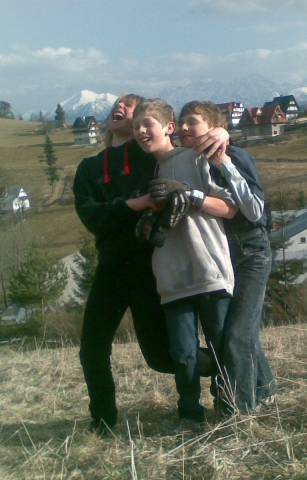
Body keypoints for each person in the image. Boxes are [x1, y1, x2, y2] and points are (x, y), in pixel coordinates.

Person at [73, 94, 229, 434]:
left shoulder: (153, 158)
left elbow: (194, 150)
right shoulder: (89, 168)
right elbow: (92, 217)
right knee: (92, 349)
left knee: (162, 357)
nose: (119, 108)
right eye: (117, 105)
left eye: (129, 106)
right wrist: (139, 202)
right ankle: (102, 422)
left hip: (150, 268)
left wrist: (220, 133)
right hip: (111, 268)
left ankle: (229, 368)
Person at [132, 98, 237, 427]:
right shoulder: (149, 172)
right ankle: (190, 415)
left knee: (220, 346)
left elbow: (230, 208)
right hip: (171, 275)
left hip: (208, 268)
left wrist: (190, 196)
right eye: (136, 127)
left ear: (169, 127)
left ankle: (229, 407)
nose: (140, 131)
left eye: (147, 124)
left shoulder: (195, 157)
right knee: (183, 354)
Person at [177, 101, 277, 414]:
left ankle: (240, 411)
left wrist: (223, 162)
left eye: (192, 121)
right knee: (237, 333)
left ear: (213, 127)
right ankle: (265, 390)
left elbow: (256, 212)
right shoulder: (187, 163)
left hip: (250, 251)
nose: (183, 128)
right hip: (221, 256)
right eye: (181, 122)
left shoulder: (235, 155)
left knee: (238, 334)